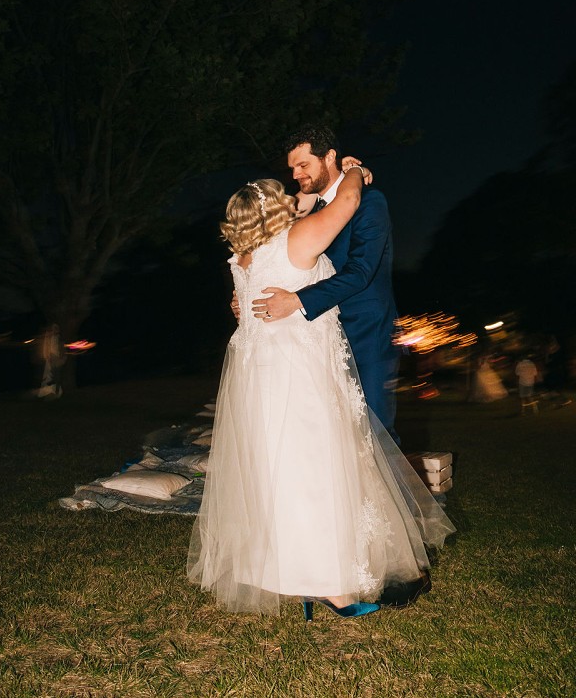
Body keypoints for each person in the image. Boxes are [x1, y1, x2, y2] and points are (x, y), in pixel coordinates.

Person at [187, 173, 455, 619]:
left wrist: (306, 199)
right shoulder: (295, 240)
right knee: (314, 472)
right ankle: (332, 588)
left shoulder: (242, 258)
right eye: (285, 195)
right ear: (275, 208)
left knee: (277, 474)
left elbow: (243, 306)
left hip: (259, 380)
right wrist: (354, 172)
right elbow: (347, 202)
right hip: (299, 374)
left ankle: (291, 575)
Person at [250, 126, 400, 441]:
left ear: (329, 157)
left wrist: (296, 301)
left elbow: (360, 272)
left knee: (376, 433)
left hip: (365, 334)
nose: (295, 174)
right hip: (319, 337)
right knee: (334, 436)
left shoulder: (370, 202)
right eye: (292, 167)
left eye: (303, 165)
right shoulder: (310, 211)